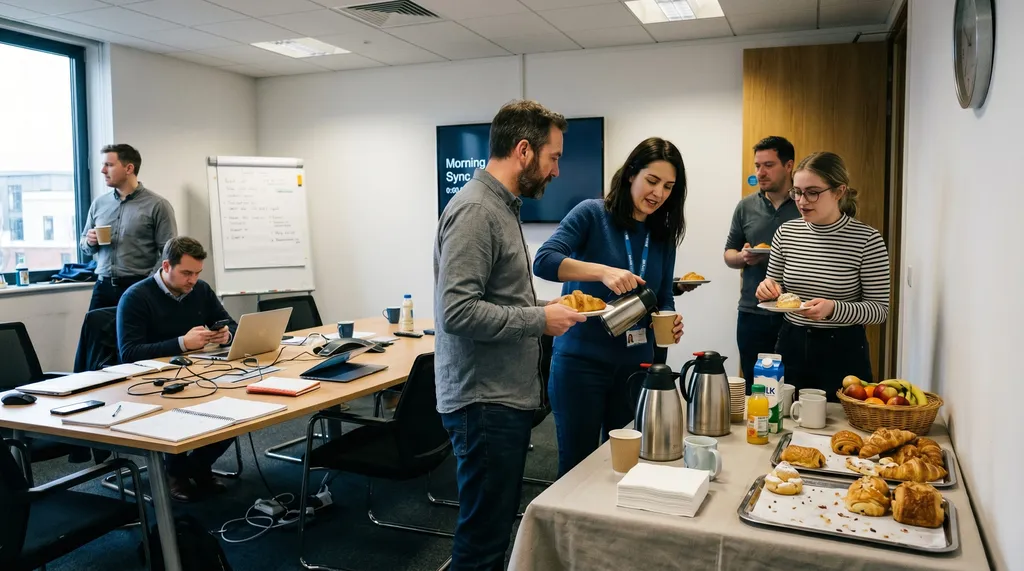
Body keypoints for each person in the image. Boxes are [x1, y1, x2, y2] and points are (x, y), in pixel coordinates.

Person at [434, 99, 586, 570]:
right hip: (484, 401)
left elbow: (496, 299)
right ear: (524, 150)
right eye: (554, 156)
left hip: (501, 397)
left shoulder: (501, 206)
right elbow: (456, 312)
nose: (558, 170)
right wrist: (539, 321)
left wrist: (546, 307)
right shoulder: (477, 211)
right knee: (483, 540)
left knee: (494, 531)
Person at [533, 137, 686, 477]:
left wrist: (670, 322)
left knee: (627, 466)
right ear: (631, 173)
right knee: (578, 468)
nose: (658, 193)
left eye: (668, 186)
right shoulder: (591, 213)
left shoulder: (662, 233)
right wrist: (602, 271)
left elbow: (662, 296)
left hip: (636, 366)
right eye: (652, 180)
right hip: (581, 363)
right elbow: (544, 261)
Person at [756, 152, 890, 401]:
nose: (802, 201)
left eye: (813, 192)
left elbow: (879, 310)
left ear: (839, 191)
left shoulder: (867, 240)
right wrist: (767, 288)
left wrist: (833, 309)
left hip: (843, 348)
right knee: (783, 417)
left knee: (839, 424)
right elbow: (774, 284)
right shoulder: (787, 233)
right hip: (792, 341)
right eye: (796, 191)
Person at [117, 236, 237, 502]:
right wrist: (181, 343)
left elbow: (230, 323)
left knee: (242, 404)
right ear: (166, 266)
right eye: (186, 273)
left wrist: (226, 335)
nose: (192, 280)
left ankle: (195, 466)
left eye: (196, 273)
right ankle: (176, 472)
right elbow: (129, 353)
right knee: (185, 408)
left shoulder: (200, 290)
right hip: (150, 382)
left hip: (195, 373)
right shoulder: (136, 297)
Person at [724, 136, 801, 390]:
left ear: (789, 165)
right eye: (757, 166)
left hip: (795, 313)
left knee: (793, 386)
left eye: (768, 165)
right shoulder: (746, 206)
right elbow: (729, 254)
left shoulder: (805, 205)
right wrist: (742, 257)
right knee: (754, 388)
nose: (760, 172)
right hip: (752, 312)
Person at [80, 144, 177, 310]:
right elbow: (85, 247)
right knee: (95, 334)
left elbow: (169, 252)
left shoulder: (158, 205)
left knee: (134, 336)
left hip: (138, 286)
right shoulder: (99, 203)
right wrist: (89, 241)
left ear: (129, 168)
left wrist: (149, 282)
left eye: (109, 165)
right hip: (103, 286)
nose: (103, 170)